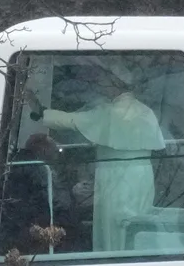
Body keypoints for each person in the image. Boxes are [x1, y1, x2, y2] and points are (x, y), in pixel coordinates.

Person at [26, 68, 166, 254]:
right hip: (142, 176)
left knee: (113, 228)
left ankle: (114, 260)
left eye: (104, 81)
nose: (101, 86)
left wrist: (40, 111)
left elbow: (72, 120)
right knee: (136, 223)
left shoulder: (112, 112)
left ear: (116, 84)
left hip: (116, 177)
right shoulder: (145, 111)